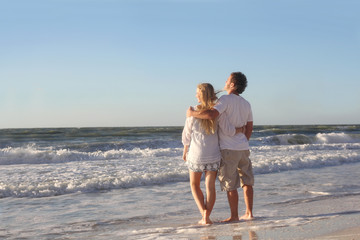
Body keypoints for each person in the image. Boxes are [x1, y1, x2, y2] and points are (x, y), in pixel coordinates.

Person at [187, 72, 254, 222]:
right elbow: (249, 126)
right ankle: (249, 213)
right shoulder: (246, 103)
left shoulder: (225, 99)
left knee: (231, 184)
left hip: (228, 149)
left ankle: (234, 216)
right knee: (247, 181)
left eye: (227, 80)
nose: (224, 81)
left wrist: (192, 113)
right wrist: (244, 140)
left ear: (232, 85)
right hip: (243, 148)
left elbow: (211, 114)